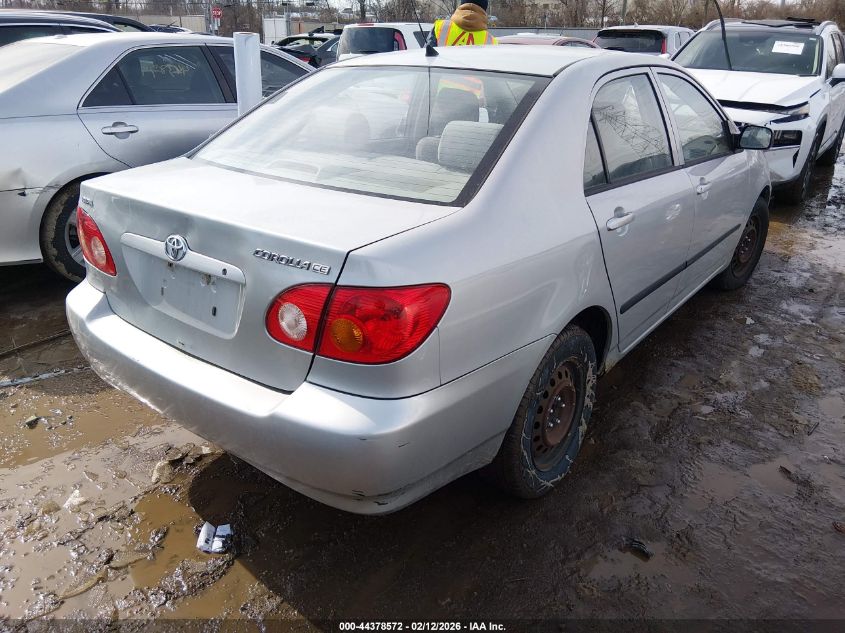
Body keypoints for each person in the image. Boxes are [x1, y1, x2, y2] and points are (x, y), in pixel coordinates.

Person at [431, 0, 498, 47]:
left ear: (461, 5)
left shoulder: (441, 28)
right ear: (484, 10)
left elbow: (426, 59)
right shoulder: (491, 41)